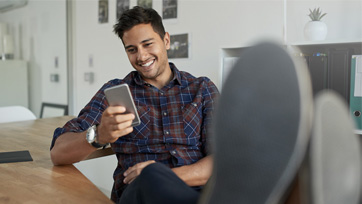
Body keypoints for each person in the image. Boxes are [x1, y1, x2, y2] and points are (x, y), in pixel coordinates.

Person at [50, 6, 219, 203]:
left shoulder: (202, 89)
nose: (141, 56)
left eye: (147, 44)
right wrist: (99, 135)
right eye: (132, 49)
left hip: (193, 195)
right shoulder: (116, 92)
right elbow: (58, 153)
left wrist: (160, 174)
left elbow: (222, 161)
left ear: (166, 40)